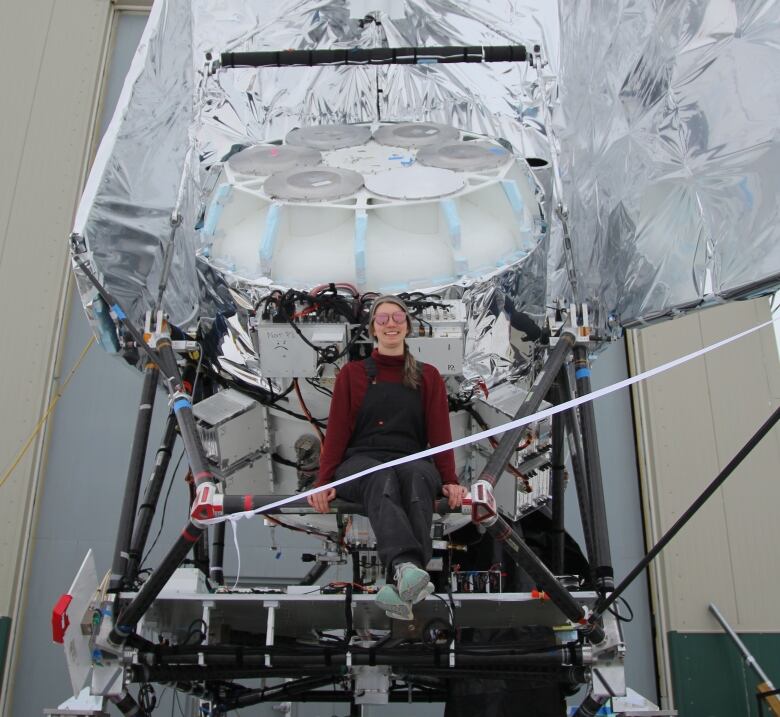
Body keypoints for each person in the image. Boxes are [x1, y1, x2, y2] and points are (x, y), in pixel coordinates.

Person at [308, 295, 467, 619]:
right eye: (382, 319)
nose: (390, 324)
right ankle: (406, 570)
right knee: (382, 477)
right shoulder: (351, 375)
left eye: (397, 318)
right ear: (372, 330)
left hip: (411, 459)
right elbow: (336, 433)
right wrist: (323, 482)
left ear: (407, 326)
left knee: (418, 478)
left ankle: (402, 582)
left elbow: (439, 436)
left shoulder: (429, 377)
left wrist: (449, 481)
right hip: (362, 460)